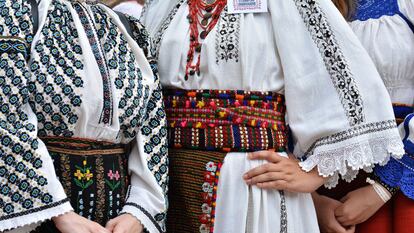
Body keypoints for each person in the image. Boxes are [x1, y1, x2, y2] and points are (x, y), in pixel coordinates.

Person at [140, 0, 405, 232]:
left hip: (249, 180)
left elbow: (344, 80)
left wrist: (314, 173)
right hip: (168, 179)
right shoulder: (163, 5)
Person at [0, 0, 167, 233]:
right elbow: (7, 116)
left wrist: (139, 210)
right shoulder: (14, 14)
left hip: (116, 217)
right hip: (39, 218)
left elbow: (153, 128)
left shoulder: (131, 30)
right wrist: (60, 213)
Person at [314, 0, 414, 232]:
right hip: (326, 180)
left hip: (403, 172)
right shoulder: (302, 8)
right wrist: (313, 201)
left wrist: (382, 188)